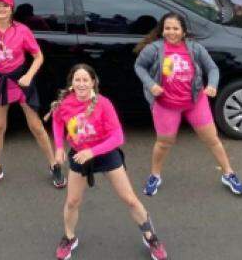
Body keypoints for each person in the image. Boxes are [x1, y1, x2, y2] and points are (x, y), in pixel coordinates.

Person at [50, 64, 167, 260]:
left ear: (93, 82)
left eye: (85, 80)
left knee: (129, 199)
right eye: (77, 80)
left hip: (105, 153)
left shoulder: (103, 103)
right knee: (72, 201)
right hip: (79, 154)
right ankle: (69, 238)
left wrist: (92, 151)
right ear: (71, 83)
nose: (81, 84)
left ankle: (151, 237)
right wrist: (60, 147)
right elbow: (57, 121)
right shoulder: (65, 104)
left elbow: (118, 137)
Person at [135, 12, 242, 199]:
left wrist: (212, 85)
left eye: (176, 28)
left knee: (212, 139)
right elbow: (139, 66)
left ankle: (228, 174)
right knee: (163, 143)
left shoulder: (194, 48)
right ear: (162, 30)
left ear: (184, 31)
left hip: (195, 102)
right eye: (167, 28)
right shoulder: (154, 49)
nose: (171, 32)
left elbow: (212, 68)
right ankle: (155, 176)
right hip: (166, 104)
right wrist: (151, 84)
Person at [0, 0, 64, 190]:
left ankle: (54, 165)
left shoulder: (22, 30)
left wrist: (29, 76)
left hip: (21, 81)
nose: (1, 9)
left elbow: (38, 56)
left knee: (37, 127)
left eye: (5, 5)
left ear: (11, 9)